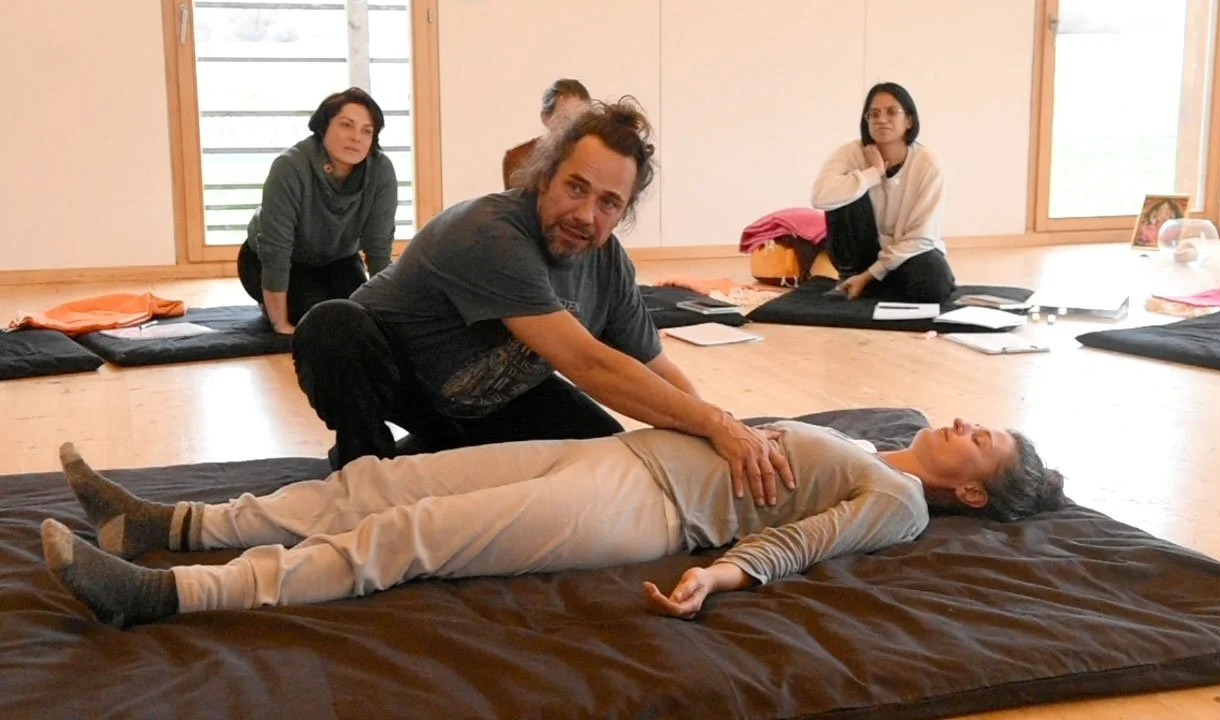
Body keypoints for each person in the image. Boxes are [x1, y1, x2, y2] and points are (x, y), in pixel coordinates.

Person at [40, 416, 1066, 628]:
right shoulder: (877, 443)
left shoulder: (897, 504)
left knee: (413, 534)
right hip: (621, 450)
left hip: (645, 506)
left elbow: (803, 543)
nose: (964, 425)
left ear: (974, 493)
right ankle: (170, 522)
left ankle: (169, 594)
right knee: (380, 481)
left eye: (982, 442)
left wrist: (723, 575)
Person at [291, 97, 791, 506]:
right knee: (333, 324)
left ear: (623, 213)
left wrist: (722, 430)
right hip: (393, 376)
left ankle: (426, 457)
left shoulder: (609, 265)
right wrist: (715, 425)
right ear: (544, 177)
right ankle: (364, 471)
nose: (586, 215)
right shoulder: (490, 231)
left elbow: (654, 368)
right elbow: (589, 364)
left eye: (608, 203)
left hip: (483, 402)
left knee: (606, 454)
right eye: (576, 188)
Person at [237, 88, 399, 335]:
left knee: (353, 315)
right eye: (346, 125)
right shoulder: (289, 167)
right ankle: (270, 305)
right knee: (311, 319)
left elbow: (379, 249)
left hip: (338, 260)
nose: (356, 137)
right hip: (273, 259)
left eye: (367, 130)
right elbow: (275, 250)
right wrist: (280, 324)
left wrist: (388, 320)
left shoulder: (381, 170)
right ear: (324, 127)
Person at [811, 82, 956, 303]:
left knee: (934, 285)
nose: (881, 119)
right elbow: (820, 197)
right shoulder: (849, 154)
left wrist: (871, 274)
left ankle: (869, 284)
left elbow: (922, 237)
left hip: (909, 253)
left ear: (909, 120)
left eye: (892, 112)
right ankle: (852, 278)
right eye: (874, 114)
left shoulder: (928, 163)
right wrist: (872, 174)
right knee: (844, 191)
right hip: (861, 254)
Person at [502, 79, 591, 190]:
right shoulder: (518, 158)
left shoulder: (596, 156)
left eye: (580, 120)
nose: (574, 128)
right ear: (545, 118)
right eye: (565, 120)